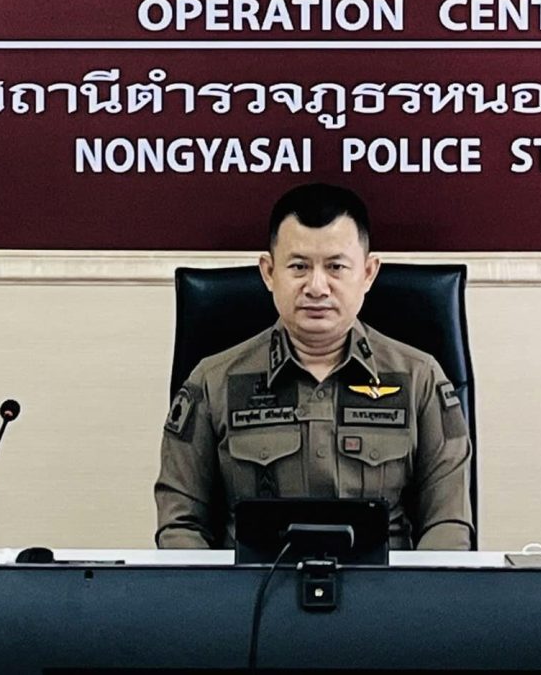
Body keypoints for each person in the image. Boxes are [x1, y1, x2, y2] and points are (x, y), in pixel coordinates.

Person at [154, 183, 473, 550]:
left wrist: (413, 588)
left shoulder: (420, 379)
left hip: (384, 585)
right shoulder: (212, 383)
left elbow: (448, 526)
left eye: (336, 267)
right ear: (269, 272)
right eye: (299, 267)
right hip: (251, 586)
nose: (317, 287)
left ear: (368, 273)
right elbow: (180, 525)